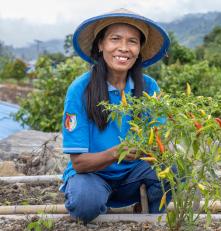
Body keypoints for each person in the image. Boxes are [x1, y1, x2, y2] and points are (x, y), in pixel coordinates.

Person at [60, 8, 171, 223]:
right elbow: (79, 163)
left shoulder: (149, 87)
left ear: (139, 49)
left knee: (172, 171)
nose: (123, 48)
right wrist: (115, 153)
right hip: (92, 175)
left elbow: (160, 144)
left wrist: (147, 148)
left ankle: (150, 214)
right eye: (115, 39)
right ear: (100, 45)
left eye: (132, 41)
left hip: (134, 176)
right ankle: (95, 202)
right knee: (85, 202)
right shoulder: (80, 90)